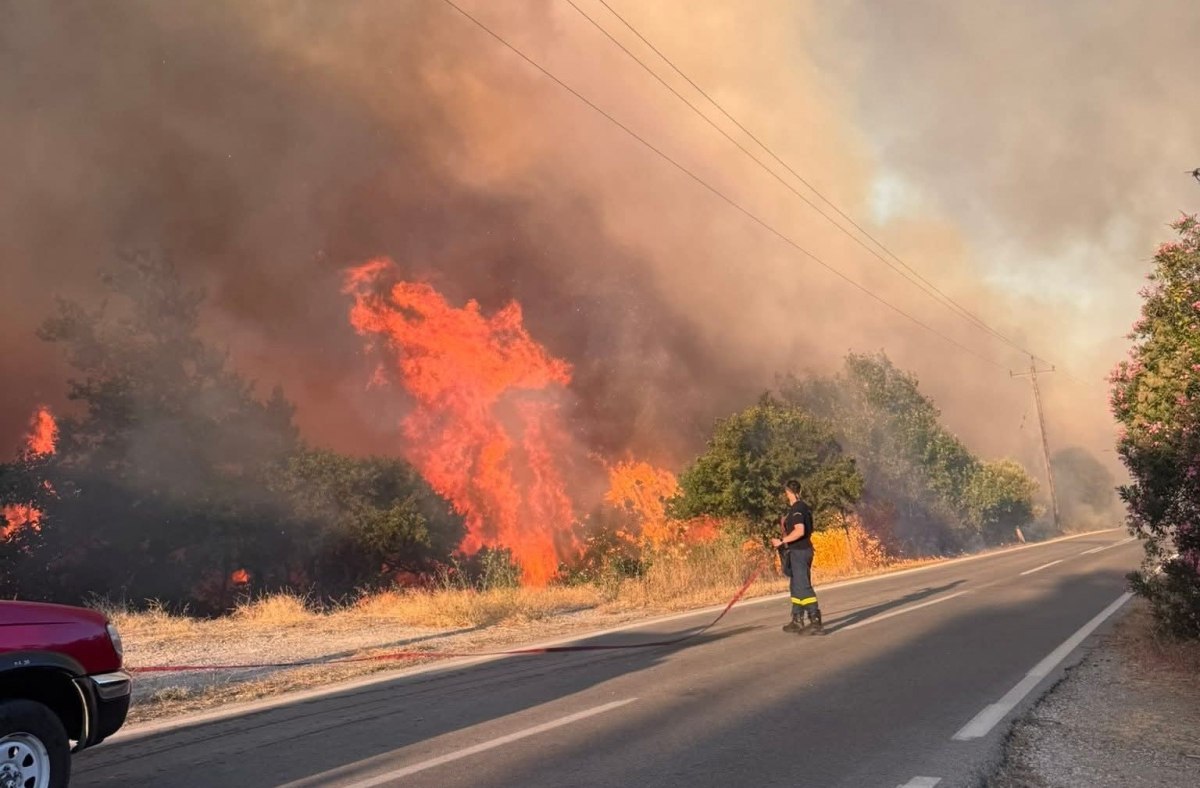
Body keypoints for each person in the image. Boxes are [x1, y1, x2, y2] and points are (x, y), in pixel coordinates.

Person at [771, 479, 823, 634]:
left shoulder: (798, 508)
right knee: (795, 586)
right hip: (797, 551)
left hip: (800, 551)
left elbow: (800, 531)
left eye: (786, 492)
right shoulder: (801, 507)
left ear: (789, 492)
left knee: (803, 586)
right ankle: (797, 619)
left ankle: (815, 621)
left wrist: (782, 541)